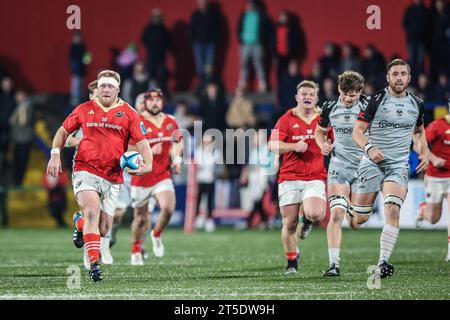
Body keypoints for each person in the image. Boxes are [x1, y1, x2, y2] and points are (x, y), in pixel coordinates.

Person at [46, 70, 153, 282]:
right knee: (92, 211)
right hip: (85, 169)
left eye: (110, 86)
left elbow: (143, 144)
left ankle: (79, 223)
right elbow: (62, 132)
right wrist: (55, 154)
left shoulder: (130, 114)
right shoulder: (84, 109)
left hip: (113, 175)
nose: (105, 89)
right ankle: (95, 264)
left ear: (118, 90)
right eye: (102, 85)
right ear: (97, 88)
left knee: (104, 229)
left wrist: (147, 166)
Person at [350, 59, 429, 278]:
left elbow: (419, 131)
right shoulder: (376, 100)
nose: (399, 78)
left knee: (392, 210)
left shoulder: (417, 103)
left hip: (398, 165)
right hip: (372, 163)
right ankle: (348, 207)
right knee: (360, 219)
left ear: (409, 77)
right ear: (388, 77)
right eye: (395, 74)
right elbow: (357, 132)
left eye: (403, 73)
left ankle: (383, 261)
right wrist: (369, 147)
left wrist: (423, 151)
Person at [268, 80, 328, 275]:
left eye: (311, 94)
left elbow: (338, 140)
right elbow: (272, 145)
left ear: (317, 98)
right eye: (304, 94)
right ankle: (292, 262)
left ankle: (308, 221)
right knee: (289, 223)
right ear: (297, 98)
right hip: (289, 177)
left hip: (315, 176)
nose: (308, 96)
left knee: (316, 213)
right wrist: (294, 147)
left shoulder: (324, 118)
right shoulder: (286, 118)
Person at [315, 71, 367, 276]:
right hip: (339, 165)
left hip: (364, 167)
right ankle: (334, 265)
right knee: (336, 215)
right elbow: (319, 132)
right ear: (339, 89)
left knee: (355, 224)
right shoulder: (329, 107)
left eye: (352, 95)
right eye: (345, 93)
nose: (347, 98)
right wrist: (322, 146)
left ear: (360, 92)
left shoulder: (370, 106)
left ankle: (352, 208)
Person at [129, 89, 183, 265]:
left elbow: (178, 142)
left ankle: (156, 233)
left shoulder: (171, 121)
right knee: (141, 218)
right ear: (145, 103)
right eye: (150, 100)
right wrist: (149, 152)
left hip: (162, 175)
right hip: (141, 177)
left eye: (157, 99)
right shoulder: (137, 121)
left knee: (168, 208)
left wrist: (177, 159)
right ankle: (136, 247)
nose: (154, 103)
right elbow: (128, 150)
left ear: (162, 102)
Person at [416, 98, 450, 262]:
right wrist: (433, 158)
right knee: (434, 218)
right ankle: (423, 210)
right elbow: (418, 144)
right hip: (435, 177)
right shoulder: (438, 126)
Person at [194, 133, 223, 232]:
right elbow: (193, 166)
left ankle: (209, 219)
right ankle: (197, 219)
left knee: (210, 201)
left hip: (210, 180)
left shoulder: (216, 153)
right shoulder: (198, 151)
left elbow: (220, 168)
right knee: (198, 200)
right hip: (199, 180)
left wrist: (215, 172)